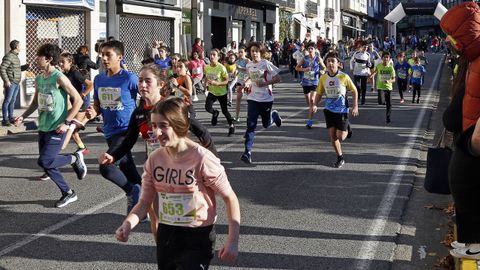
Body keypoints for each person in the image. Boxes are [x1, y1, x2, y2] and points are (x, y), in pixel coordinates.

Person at [115, 97, 240, 269]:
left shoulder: (203, 158)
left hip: (198, 235)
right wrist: (128, 224)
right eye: (153, 125)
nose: (156, 132)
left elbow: (230, 198)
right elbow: (145, 202)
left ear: (179, 124)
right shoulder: (154, 159)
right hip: (167, 233)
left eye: (163, 126)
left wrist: (232, 241)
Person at [14, 43, 87, 207]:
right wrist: (22, 117)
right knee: (48, 165)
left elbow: (78, 100)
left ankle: (74, 158)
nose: (36, 59)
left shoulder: (59, 77)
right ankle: (68, 193)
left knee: (45, 161)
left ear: (48, 59)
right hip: (44, 127)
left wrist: (66, 122)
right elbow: (35, 102)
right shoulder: (40, 78)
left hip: (57, 127)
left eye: (39, 56)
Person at [85, 40, 142, 215]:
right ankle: (146, 205)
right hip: (109, 131)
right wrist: (91, 112)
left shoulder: (129, 78)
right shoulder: (99, 79)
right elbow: (97, 105)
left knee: (106, 165)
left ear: (120, 57)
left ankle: (132, 192)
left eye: (108, 54)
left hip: (126, 131)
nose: (103, 58)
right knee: (130, 172)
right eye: (102, 54)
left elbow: (147, 95)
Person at [313, 52, 359, 168]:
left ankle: (347, 126)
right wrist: (314, 104)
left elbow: (354, 91)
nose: (330, 63)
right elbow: (319, 93)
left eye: (333, 61)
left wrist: (355, 106)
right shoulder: (323, 78)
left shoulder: (343, 77)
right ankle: (340, 158)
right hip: (329, 110)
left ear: (338, 64)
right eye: (328, 61)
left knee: (341, 136)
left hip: (342, 110)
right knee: (332, 136)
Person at [240, 42, 282, 164]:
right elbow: (249, 77)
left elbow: (278, 78)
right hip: (252, 98)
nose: (254, 53)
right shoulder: (248, 65)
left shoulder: (266, 64)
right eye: (252, 51)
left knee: (266, 124)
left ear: (261, 53)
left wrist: (264, 83)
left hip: (266, 99)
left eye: (256, 51)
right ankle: (247, 152)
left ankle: (274, 116)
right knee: (251, 125)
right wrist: (245, 84)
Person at [58, 52, 93, 153]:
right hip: (70, 105)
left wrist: (82, 95)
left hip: (79, 105)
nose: (60, 63)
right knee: (73, 131)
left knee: (71, 128)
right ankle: (82, 148)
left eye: (62, 61)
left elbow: (90, 85)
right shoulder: (64, 74)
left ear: (70, 62)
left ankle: (60, 149)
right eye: (59, 61)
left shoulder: (75, 73)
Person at [203, 49, 235, 136]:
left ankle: (231, 126)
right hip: (212, 91)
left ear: (218, 57)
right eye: (211, 54)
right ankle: (215, 113)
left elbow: (226, 81)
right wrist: (205, 85)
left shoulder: (221, 68)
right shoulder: (206, 67)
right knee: (207, 108)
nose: (212, 56)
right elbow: (206, 77)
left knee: (225, 111)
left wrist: (218, 83)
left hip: (222, 92)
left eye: (214, 55)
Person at [296, 42, 326, 128]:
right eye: (308, 49)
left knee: (312, 100)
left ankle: (309, 121)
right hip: (305, 82)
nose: (310, 50)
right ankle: (313, 107)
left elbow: (324, 67)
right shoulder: (304, 59)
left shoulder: (318, 59)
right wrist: (304, 69)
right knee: (309, 102)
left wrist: (322, 71)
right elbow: (297, 67)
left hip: (314, 82)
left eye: (311, 48)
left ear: (315, 49)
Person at [1, 40, 30, 126]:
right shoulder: (9, 56)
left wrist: (26, 66)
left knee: (12, 101)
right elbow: (2, 69)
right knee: (7, 101)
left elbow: (16, 69)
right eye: (20, 45)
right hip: (11, 82)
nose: (21, 47)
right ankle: (5, 120)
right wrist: (6, 80)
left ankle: (10, 118)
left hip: (16, 82)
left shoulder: (15, 56)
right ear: (16, 47)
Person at [370, 52, 396, 123]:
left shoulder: (391, 68)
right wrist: (371, 76)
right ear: (382, 58)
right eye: (384, 57)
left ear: (389, 59)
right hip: (380, 87)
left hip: (388, 88)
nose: (386, 58)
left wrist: (389, 81)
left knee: (389, 104)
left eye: (387, 57)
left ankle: (388, 117)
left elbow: (394, 79)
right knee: (381, 102)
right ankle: (383, 100)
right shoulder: (379, 65)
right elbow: (375, 71)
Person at [349, 41, 371, 105]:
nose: (365, 49)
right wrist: (351, 68)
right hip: (357, 73)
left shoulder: (368, 54)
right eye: (364, 47)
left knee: (364, 87)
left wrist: (369, 65)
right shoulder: (356, 53)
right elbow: (351, 61)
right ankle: (358, 97)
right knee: (357, 87)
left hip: (364, 73)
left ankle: (363, 100)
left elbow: (368, 63)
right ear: (361, 47)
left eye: (366, 48)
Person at [233, 46, 251, 122]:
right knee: (238, 99)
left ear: (245, 53)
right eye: (239, 52)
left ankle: (250, 116)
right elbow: (236, 72)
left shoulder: (247, 60)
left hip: (247, 81)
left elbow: (249, 70)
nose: (240, 53)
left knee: (250, 100)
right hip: (240, 81)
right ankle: (237, 116)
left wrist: (240, 68)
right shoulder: (236, 62)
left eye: (241, 52)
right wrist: (234, 74)